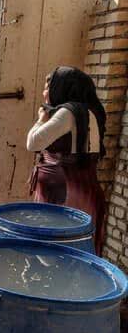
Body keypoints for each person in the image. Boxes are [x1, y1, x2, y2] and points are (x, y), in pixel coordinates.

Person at [27, 66, 107, 255]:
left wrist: (41, 119)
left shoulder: (67, 113)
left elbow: (32, 143)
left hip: (63, 197)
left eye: (48, 87)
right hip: (85, 191)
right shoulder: (92, 111)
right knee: (79, 253)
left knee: (55, 254)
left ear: (61, 88)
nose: (44, 93)